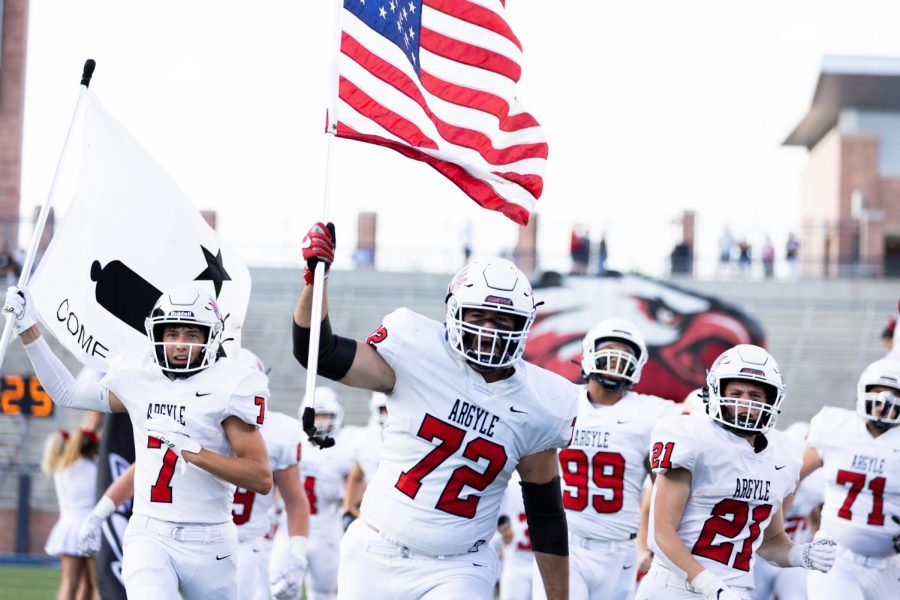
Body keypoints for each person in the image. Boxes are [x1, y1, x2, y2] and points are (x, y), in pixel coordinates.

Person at [292, 222, 579, 600]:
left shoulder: (540, 403)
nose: (488, 330)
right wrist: (316, 278)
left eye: (501, 320)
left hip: (459, 566)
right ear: (455, 312)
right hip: (377, 549)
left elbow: (545, 514)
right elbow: (318, 352)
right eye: (477, 316)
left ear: (522, 326)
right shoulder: (416, 350)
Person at [3, 283, 272, 600]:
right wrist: (29, 331)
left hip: (211, 541)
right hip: (150, 532)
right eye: (171, 334)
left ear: (210, 337)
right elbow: (68, 394)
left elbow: (261, 477)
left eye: (191, 334)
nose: (180, 345)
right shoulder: (140, 375)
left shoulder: (230, 384)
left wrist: (197, 453)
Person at [78, 350, 310, 600]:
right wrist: (99, 513)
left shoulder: (279, 434)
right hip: (176, 534)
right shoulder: (198, 416)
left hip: (242, 544)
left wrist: (297, 553)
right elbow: (144, 469)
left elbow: (293, 498)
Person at [636, 344, 837, 600]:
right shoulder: (692, 438)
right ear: (717, 392)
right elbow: (661, 533)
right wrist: (712, 587)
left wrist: (801, 554)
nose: (745, 403)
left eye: (755, 395)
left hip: (735, 589)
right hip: (676, 589)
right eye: (736, 393)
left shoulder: (781, 454)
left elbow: (769, 540)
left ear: (772, 400)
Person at [533, 317, 680, 600]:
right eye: (610, 353)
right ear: (589, 353)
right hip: (564, 544)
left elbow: (692, 412)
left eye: (625, 357)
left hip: (620, 553)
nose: (616, 362)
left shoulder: (650, 413)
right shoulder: (562, 400)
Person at [799, 357, 900, 599]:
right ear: (863, 392)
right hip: (835, 558)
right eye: (878, 393)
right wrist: (776, 530)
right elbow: (789, 476)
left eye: (893, 395)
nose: (884, 404)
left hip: (890, 564)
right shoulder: (836, 427)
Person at [293, 387, 357, 600]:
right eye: (317, 415)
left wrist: (343, 497)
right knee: (281, 588)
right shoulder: (293, 443)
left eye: (325, 415)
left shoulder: (344, 449)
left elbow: (356, 490)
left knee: (325, 592)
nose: (320, 421)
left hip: (327, 529)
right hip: (292, 527)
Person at [752, 421, 826, 600]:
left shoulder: (818, 480)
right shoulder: (770, 470)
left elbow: (818, 517)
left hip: (793, 552)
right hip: (761, 552)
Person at [42, 428, 100, 600]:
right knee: (96, 584)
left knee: (69, 583)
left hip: (68, 528)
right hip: (91, 529)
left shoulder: (61, 469)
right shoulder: (94, 468)